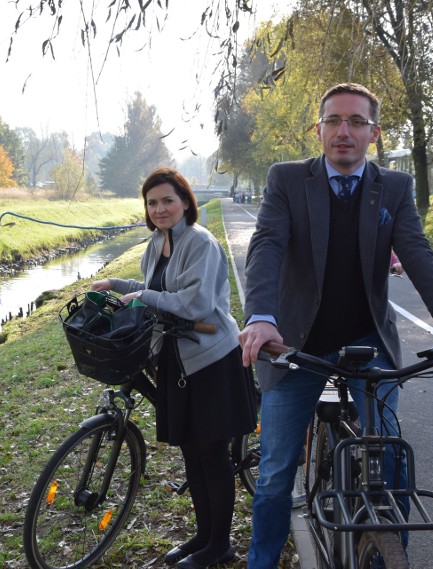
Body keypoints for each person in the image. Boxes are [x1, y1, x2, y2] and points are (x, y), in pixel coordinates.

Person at [238, 82, 433, 569]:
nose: (343, 132)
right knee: (273, 474)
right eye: (333, 121)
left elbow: (417, 254)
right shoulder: (287, 179)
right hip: (294, 343)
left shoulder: (392, 188)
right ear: (318, 129)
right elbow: (267, 245)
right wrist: (261, 318)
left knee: (390, 464)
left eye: (356, 122)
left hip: (367, 338)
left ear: (374, 133)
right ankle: (262, 562)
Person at [92, 167, 257, 569]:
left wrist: (142, 298)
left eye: (167, 200)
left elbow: (194, 305)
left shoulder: (201, 243)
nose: (160, 208)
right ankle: (203, 536)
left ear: (185, 201)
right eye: (152, 203)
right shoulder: (157, 242)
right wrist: (115, 284)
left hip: (210, 358)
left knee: (211, 451)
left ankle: (220, 545)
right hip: (175, 357)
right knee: (190, 451)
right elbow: (156, 288)